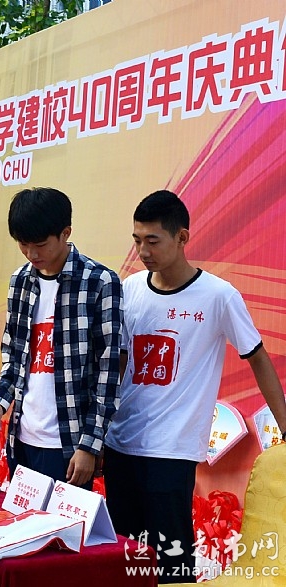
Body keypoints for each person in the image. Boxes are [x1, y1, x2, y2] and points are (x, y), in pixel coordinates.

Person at [104, 190, 286, 583]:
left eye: (153, 241)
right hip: (120, 445)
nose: (143, 252)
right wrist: (100, 430)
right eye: (137, 240)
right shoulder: (130, 290)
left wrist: (285, 425)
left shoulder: (218, 296)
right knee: (125, 557)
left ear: (182, 237)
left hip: (172, 450)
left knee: (172, 561)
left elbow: (257, 357)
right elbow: (119, 363)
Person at [0, 187, 122, 489]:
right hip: (22, 439)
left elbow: (107, 373)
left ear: (65, 233)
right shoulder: (20, 280)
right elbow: (13, 355)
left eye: (41, 245)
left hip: (70, 445)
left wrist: (89, 444)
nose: (32, 254)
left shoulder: (99, 282)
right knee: (22, 517)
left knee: (62, 521)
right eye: (23, 244)